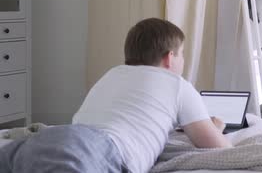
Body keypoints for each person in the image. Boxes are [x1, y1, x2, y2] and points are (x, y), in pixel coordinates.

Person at [0, 18, 231, 173]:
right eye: (182, 55)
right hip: (99, 148)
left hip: (53, 138)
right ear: (170, 58)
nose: (182, 61)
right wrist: (217, 127)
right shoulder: (177, 84)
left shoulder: (112, 74)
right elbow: (217, 147)